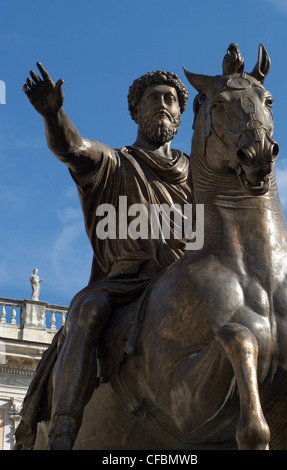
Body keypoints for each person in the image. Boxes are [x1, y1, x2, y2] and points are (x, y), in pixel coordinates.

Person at [17, 63, 191, 450]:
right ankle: (63, 428)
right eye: (153, 98)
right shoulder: (114, 163)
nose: (163, 105)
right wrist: (53, 113)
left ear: (181, 114)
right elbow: (72, 149)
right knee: (86, 310)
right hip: (126, 283)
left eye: (171, 99)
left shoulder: (199, 175)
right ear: (136, 111)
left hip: (189, 281)